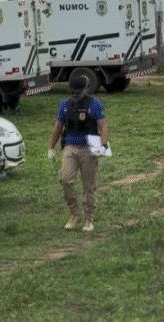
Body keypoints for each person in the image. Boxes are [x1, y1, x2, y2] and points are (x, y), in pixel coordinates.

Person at [47, 75, 108, 232]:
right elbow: (58, 127)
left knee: (89, 186)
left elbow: (102, 126)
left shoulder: (94, 104)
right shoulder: (64, 105)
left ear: (85, 90)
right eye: (73, 92)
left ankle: (89, 218)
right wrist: (51, 147)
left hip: (89, 148)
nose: (75, 95)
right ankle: (74, 214)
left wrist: (103, 145)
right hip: (70, 147)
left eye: (78, 93)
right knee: (65, 179)